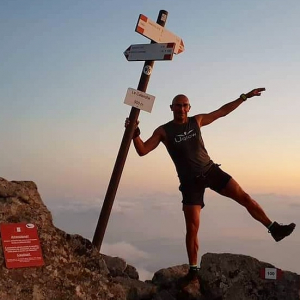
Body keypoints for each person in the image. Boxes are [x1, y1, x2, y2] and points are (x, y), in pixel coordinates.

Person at [125, 88, 296, 286]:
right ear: (171, 108)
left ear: (189, 108)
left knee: (245, 198)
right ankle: (193, 271)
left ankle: (274, 228)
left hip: (210, 170)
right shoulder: (164, 131)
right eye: (178, 105)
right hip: (190, 183)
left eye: (184, 105)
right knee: (192, 228)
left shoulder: (196, 121)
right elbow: (143, 150)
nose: (181, 108)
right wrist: (134, 134)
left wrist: (244, 97)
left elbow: (222, 112)